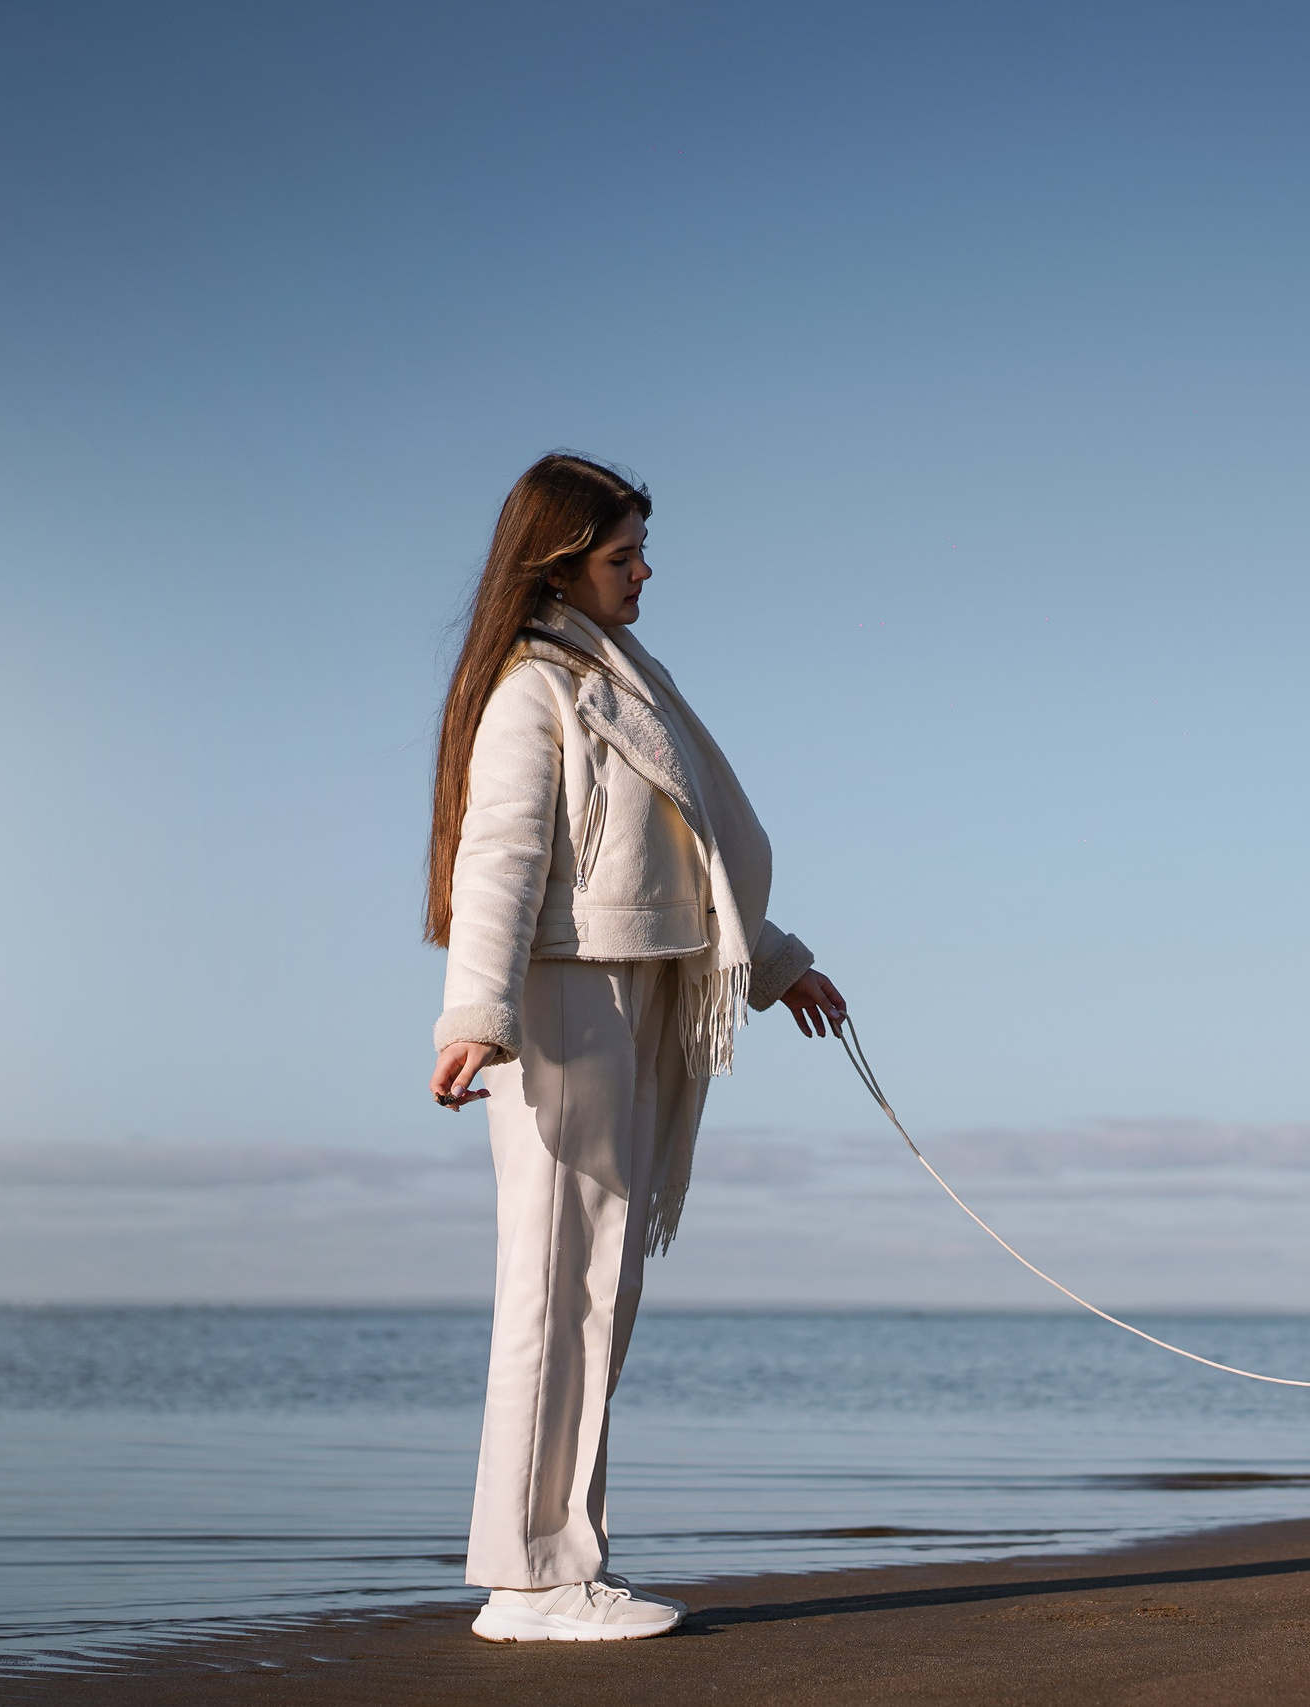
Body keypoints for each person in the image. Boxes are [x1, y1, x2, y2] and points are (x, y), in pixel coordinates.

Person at [425, 451, 845, 1642]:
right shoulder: (534, 689)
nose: (644, 572)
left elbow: (681, 856)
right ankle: (534, 1581)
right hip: (567, 1001)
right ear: (561, 562)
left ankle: (556, 1565)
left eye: (640, 551)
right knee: (559, 1287)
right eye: (622, 555)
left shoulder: (617, 674)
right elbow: (498, 859)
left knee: (601, 1286)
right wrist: (474, 1016)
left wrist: (772, 964)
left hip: (635, 994)